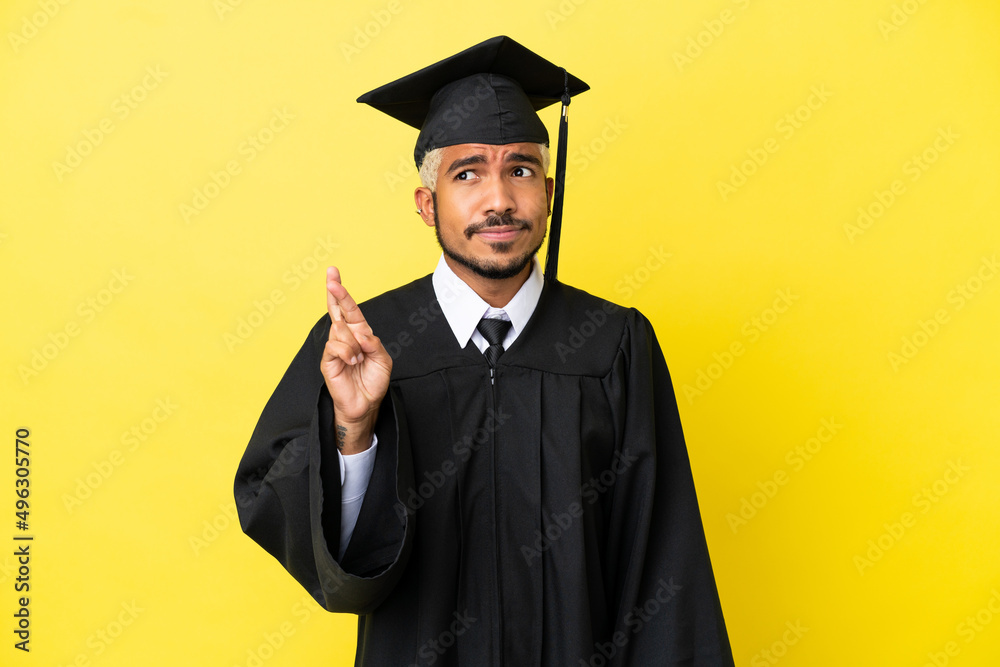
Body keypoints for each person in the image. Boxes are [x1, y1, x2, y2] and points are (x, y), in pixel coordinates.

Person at [235, 35, 734, 666]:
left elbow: (664, 561)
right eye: (467, 173)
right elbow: (292, 520)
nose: (499, 199)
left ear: (548, 192)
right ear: (427, 204)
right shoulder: (361, 344)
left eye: (520, 170)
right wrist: (354, 432)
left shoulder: (613, 345)